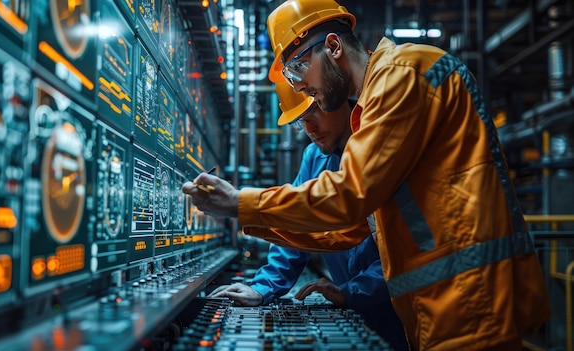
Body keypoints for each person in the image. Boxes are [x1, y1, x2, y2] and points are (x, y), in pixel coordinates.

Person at [183, 0, 551, 349]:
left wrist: (241, 202)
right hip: (443, 306)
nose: (299, 88)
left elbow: (349, 195)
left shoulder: (403, 75)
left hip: (471, 303)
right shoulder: (375, 103)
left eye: (296, 70)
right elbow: (348, 226)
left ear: (333, 47)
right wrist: (251, 227)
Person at [209, 82, 408, 350]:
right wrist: (263, 288)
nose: (309, 130)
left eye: (312, 115)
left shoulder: (381, 147)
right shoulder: (314, 157)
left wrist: (354, 290)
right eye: (301, 122)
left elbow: (402, 246)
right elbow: (297, 225)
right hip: (350, 306)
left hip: (399, 312)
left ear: (335, 99)